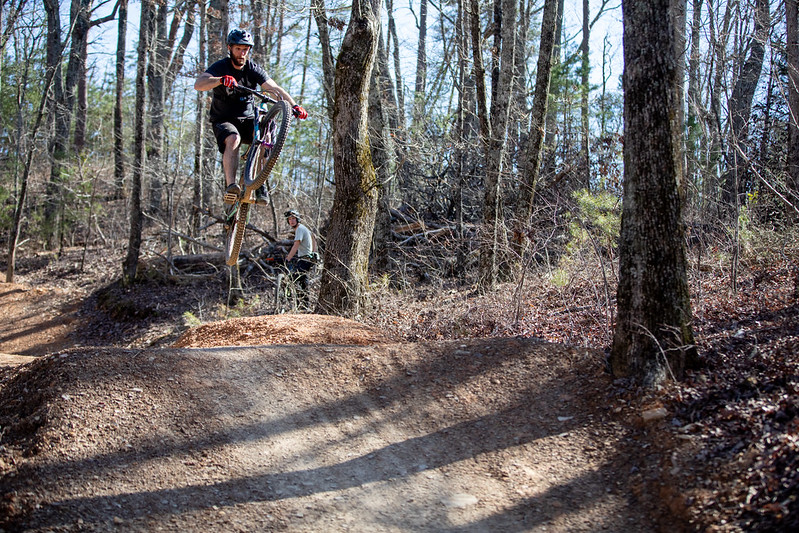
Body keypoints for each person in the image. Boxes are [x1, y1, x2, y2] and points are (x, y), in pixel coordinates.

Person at [194, 29, 308, 205]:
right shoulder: (221, 66)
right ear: (230, 48)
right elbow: (199, 84)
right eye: (239, 49)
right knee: (233, 138)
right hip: (224, 120)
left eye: (246, 49)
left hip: (247, 119)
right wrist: (220, 80)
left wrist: (294, 105)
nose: (242, 53)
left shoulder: (252, 68)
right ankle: (231, 186)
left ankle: (260, 184)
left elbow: (274, 88)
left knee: (266, 132)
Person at [283, 209, 317, 309]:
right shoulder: (303, 228)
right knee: (302, 280)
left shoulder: (299, 229)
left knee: (294, 278)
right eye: (289, 219)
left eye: (293, 219)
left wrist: (288, 258)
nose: (292, 221)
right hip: (307, 258)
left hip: (306, 258)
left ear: (297, 219)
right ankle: (304, 306)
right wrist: (314, 252)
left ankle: (302, 305)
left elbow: (296, 244)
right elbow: (313, 236)